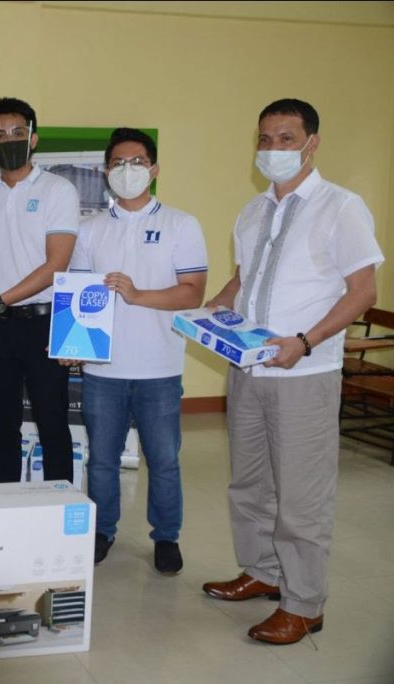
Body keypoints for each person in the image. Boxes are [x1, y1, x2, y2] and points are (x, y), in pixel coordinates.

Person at [202, 99, 383, 644]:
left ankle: (305, 604)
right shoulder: (252, 211)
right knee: (249, 484)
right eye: (265, 139)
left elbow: (364, 292)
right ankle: (262, 572)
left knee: (301, 497)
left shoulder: (341, 207)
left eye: (286, 138)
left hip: (304, 373)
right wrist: (212, 310)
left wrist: (305, 341)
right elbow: (244, 278)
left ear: (312, 143)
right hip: (249, 368)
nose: (273, 149)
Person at [67, 128, 207, 574]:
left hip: (159, 366)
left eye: (138, 162)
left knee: (163, 460)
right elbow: (78, 296)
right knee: (102, 459)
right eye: (119, 163)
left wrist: (137, 294)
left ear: (155, 169)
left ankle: (166, 537)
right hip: (102, 369)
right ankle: (102, 530)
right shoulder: (89, 230)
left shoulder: (181, 225)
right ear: (106, 171)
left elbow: (192, 294)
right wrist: (72, 345)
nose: (128, 171)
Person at [0, 97, 79, 484]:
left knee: (53, 425)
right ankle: (5, 511)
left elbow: (57, 265)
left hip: (42, 323)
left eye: (18, 132)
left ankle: (58, 512)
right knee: (2, 425)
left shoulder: (59, 190)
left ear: (33, 139)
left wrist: (1, 300)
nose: (9, 140)